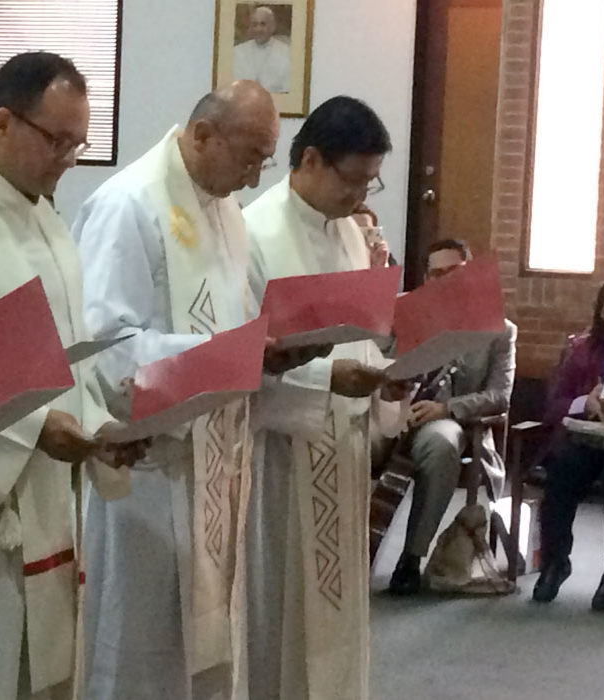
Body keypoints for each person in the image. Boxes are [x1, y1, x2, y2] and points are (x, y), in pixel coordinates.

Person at [74, 81, 334, 699]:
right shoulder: (129, 205)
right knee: (141, 659)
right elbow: (104, 349)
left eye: (263, 161)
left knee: (208, 657)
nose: (253, 177)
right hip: (151, 474)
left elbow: (233, 329)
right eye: (248, 156)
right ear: (201, 135)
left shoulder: (225, 213)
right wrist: (228, 356)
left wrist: (269, 354)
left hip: (215, 472)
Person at [0, 51, 142, 700]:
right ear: (4, 122)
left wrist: (104, 427)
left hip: (50, 491)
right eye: (57, 140)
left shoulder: (44, 211)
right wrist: (37, 429)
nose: (70, 157)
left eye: (78, 141)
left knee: (44, 673)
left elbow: (70, 353)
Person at [243, 95, 407, 700]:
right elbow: (245, 360)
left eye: (372, 181)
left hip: (341, 452)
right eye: (353, 179)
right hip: (280, 459)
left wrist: (387, 366)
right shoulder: (254, 234)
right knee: (278, 619)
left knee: (337, 616)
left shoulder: (352, 235)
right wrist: (328, 381)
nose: (362, 196)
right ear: (310, 159)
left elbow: (360, 335)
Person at [383, 238, 517, 595]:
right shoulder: (406, 314)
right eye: (435, 273)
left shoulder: (499, 329)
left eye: (452, 273)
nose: (442, 281)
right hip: (388, 412)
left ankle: (411, 558)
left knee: (442, 445)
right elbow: (375, 361)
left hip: (445, 420)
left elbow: (499, 396)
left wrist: (446, 409)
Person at [533, 279, 604, 608]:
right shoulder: (581, 349)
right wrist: (585, 403)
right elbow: (553, 405)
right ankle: (555, 562)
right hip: (584, 436)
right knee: (561, 472)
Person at [232, 6, 291, 94]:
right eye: (254, 25)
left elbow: (287, 91)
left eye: (263, 24)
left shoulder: (287, 52)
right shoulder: (237, 51)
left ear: (273, 27)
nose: (258, 29)